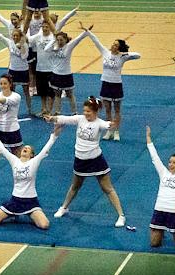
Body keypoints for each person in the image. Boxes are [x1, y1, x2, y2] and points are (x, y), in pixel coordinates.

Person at [46, 97, 126, 228]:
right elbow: (65, 119)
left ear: (95, 112)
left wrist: (114, 124)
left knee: (107, 188)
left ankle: (121, 215)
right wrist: (52, 119)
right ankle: (64, 207)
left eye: (88, 111)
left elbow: (108, 125)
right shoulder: (80, 119)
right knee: (75, 186)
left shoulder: (99, 123)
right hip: (80, 159)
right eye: (84, 111)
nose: (86, 113)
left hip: (96, 159)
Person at [0, 118, 62, 228]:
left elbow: (45, 149)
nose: (25, 148)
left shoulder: (34, 162)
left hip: (30, 201)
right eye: (24, 147)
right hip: (15, 200)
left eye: (28, 149)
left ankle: (30, 213)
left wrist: (54, 135)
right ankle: (13, 213)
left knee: (44, 225)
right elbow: (1, 148)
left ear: (32, 155)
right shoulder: (14, 160)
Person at [85, 30, 141, 140]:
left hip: (116, 85)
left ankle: (116, 131)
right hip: (106, 83)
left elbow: (138, 55)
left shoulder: (122, 57)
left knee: (117, 110)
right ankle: (109, 130)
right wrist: (87, 32)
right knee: (107, 110)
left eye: (116, 45)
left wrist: (124, 54)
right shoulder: (105, 52)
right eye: (113, 44)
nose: (113, 46)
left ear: (119, 48)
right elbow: (96, 41)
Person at [0, 20, 34, 116]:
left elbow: (24, 57)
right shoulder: (10, 43)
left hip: (23, 70)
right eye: (13, 36)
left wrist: (21, 47)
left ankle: (30, 110)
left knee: (26, 91)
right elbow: (0, 37)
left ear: (20, 37)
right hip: (13, 70)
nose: (15, 37)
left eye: (17, 36)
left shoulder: (25, 45)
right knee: (11, 91)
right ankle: (10, 109)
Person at [45, 25, 92, 117]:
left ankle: (74, 112)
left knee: (70, 94)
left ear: (66, 40)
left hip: (66, 74)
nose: (59, 42)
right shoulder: (55, 47)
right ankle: (57, 111)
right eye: (58, 40)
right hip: (56, 74)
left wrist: (86, 31)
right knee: (57, 94)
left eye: (61, 40)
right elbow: (46, 49)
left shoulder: (69, 46)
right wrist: (54, 40)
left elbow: (79, 38)